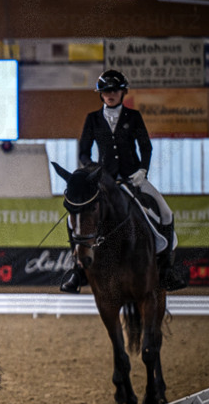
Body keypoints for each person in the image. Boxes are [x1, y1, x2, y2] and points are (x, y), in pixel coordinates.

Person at [60, 69, 187, 293]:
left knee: (166, 213)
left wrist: (143, 170)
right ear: (100, 94)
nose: (110, 94)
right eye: (106, 91)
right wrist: (93, 170)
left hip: (133, 177)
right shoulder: (93, 119)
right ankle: (77, 271)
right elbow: (83, 152)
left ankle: (167, 269)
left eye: (114, 90)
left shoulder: (134, 116)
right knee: (73, 221)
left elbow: (146, 146)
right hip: (103, 179)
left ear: (122, 92)